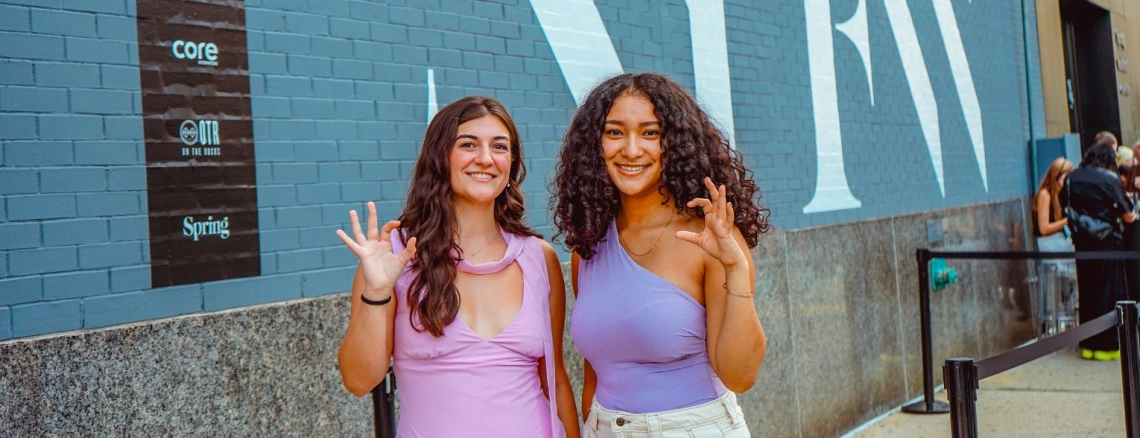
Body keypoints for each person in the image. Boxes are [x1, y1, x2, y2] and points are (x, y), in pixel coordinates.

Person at [335, 96, 578, 437]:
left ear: (511, 163)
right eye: (468, 144)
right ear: (440, 157)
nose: (485, 158)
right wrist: (377, 292)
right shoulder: (394, 255)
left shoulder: (539, 256)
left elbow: (556, 381)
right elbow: (360, 381)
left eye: (499, 147)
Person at [552, 73, 767, 437]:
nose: (632, 150)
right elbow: (595, 374)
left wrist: (735, 267)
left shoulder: (709, 237)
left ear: (675, 144)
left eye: (650, 133)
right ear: (595, 144)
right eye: (615, 132)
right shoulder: (588, 247)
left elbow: (740, 377)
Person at [1060, 139, 1136, 361]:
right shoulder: (1110, 179)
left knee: (1088, 291)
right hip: (1108, 243)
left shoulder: (1073, 177)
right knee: (1109, 293)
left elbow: (1065, 204)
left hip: (1082, 243)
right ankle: (1107, 347)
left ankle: (1089, 345)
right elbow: (1129, 215)